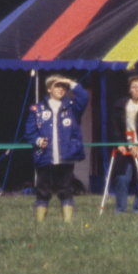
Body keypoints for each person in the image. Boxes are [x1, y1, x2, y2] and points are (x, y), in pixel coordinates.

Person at [26, 74, 89, 222]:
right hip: (45, 156)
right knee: (43, 189)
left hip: (65, 156)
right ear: (49, 89)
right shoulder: (37, 109)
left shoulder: (72, 107)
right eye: (57, 86)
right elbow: (29, 131)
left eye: (63, 87)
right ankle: (40, 224)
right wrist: (38, 140)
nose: (61, 89)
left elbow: (84, 97)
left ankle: (67, 224)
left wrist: (70, 82)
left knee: (65, 189)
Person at [107, 74, 138, 215]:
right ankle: (120, 210)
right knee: (122, 178)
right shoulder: (119, 105)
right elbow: (114, 126)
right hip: (124, 146)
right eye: (133, 87)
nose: (136, 90)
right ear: (129, 89)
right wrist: (119, 143)